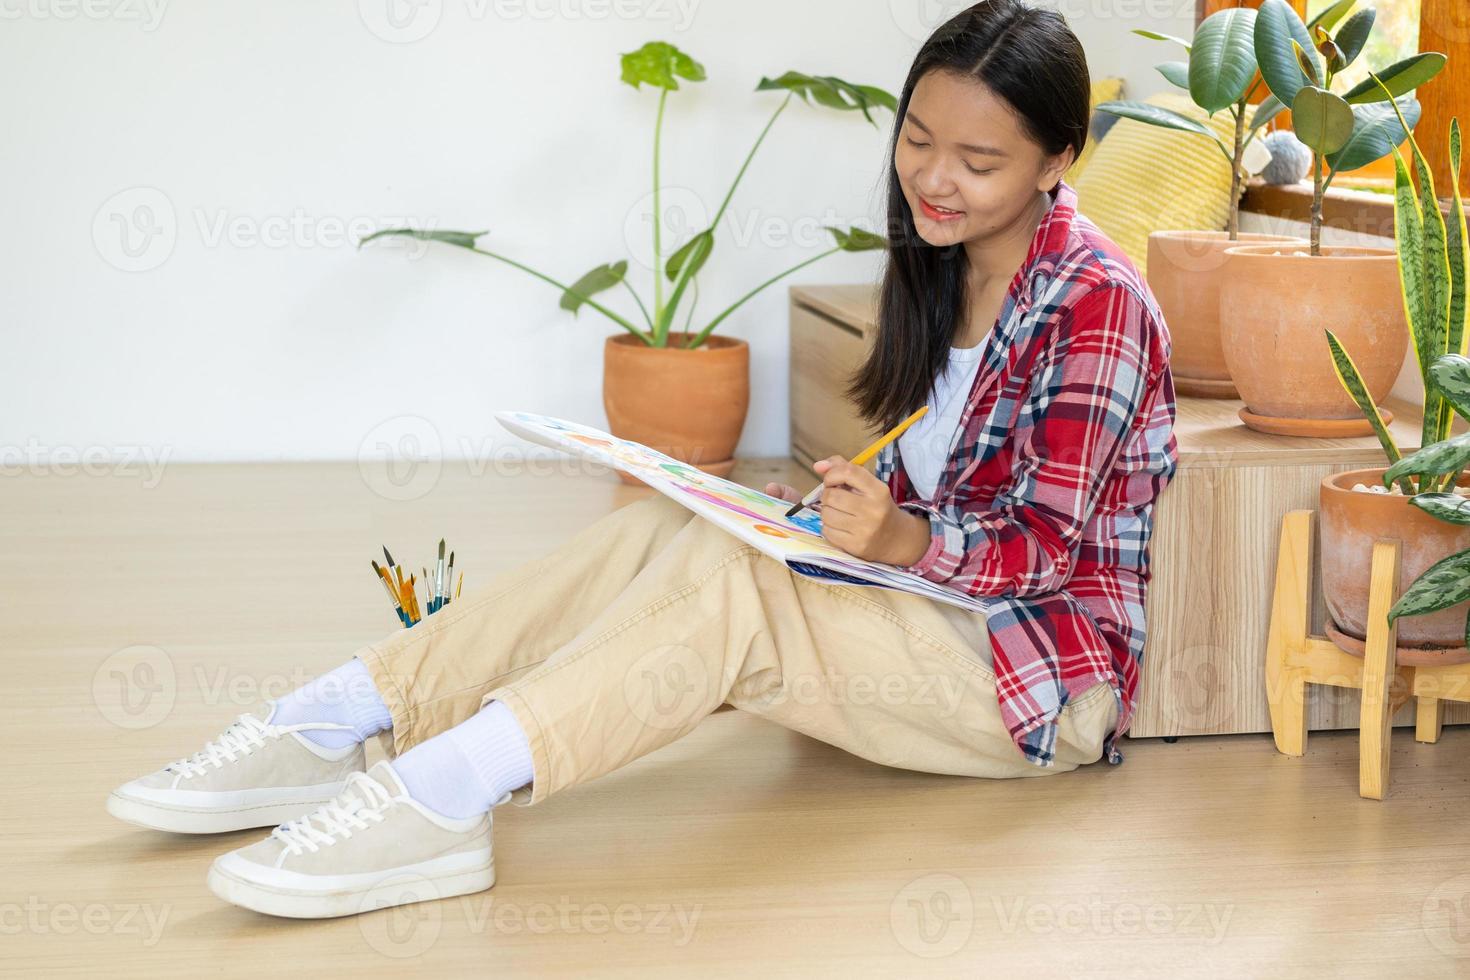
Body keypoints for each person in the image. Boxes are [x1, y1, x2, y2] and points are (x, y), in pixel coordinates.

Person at [106, 0, 1178, 920]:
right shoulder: (943, 263)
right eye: (916, 139)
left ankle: (445, 793)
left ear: (1059, 160)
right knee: (676, 522)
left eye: (979, 162)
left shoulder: (1098, 302)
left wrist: (900, 536)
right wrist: (832, 513)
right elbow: (932, 469)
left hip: (1035, 681)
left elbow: (1039, 546)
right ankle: (340, 717)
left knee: (737, 589)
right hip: (930, 612)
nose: (933, 179)